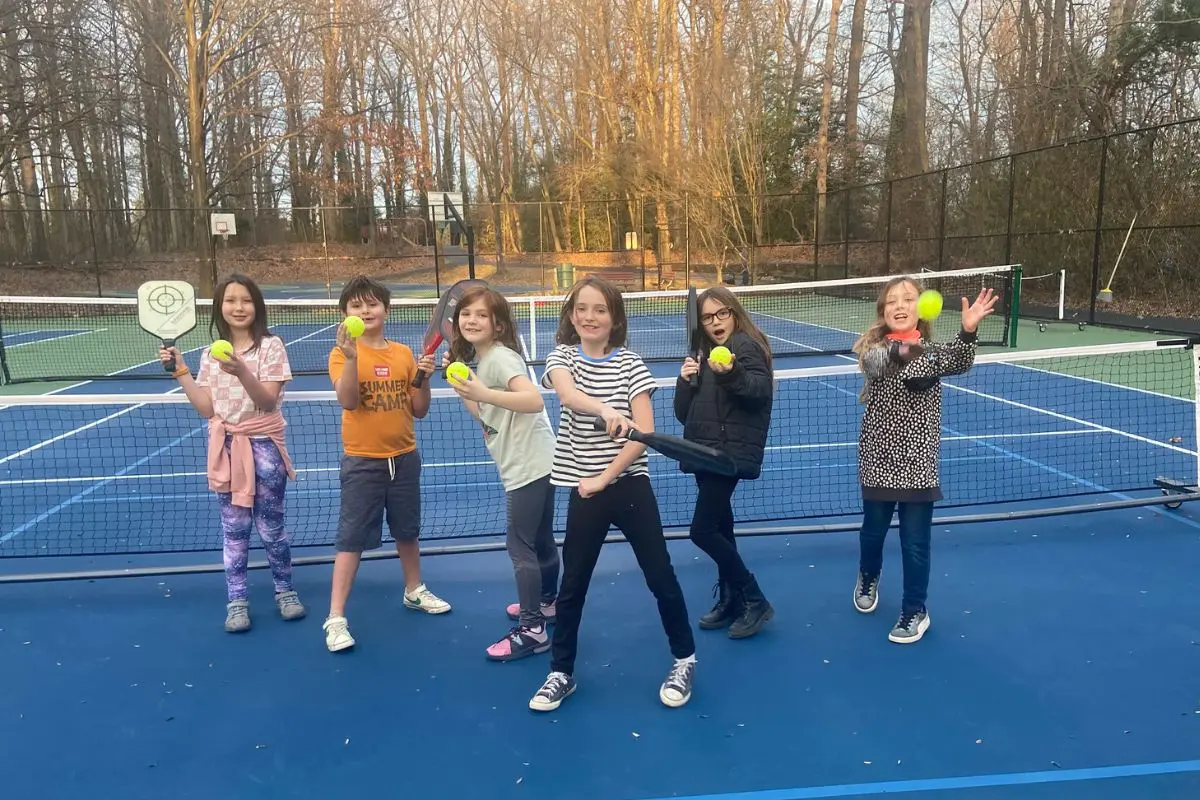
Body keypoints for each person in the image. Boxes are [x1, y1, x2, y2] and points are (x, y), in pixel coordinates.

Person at [528, 276, 696, 712]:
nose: (589, 316)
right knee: (574, 585)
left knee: (661, 576)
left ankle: (684, 660)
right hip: (584, 492)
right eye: (581, 308)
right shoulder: (562, 356)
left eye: (600, 309)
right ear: (571, 315)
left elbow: (645, 433)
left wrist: (606, 476)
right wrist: (605, 409)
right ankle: (560, 673)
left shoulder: (632, 366)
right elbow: (566, 393)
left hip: (627, 487)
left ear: (614, 317)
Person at [850, 278, 998, 643]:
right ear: (883, 312)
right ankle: (869, 575)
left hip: (918, 462)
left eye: (908, 299)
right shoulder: (874, 350)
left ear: (921, 307)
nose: (899, 305)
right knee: (873, 533)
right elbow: (890, 362)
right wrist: (928, 353)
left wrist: (967, 331)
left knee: (915, 542)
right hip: (878, 459)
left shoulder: (933, 353)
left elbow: (960, 360)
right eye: (891, 302)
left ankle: (914, 610)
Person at [161, 273, 305, 633]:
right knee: (234, 530)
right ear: (219, 307)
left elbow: (267, 401)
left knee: (272, 529)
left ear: (256, 306)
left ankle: (285, 590)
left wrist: (242, 370)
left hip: (265, 448)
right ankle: (237, 600)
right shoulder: (210, 354)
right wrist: (181, 371)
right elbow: (208, 409)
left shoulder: (272, 347)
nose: (238, 307)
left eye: (245, 300)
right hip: (225, 449)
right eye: (230, 300)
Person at [322, 275, 451, 653]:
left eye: (372, 304)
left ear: (386, 309)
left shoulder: (404, 354)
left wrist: (422, 379)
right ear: (345, 315)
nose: (366, 311)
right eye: (356, 306)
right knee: (351, 541)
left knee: (407, 531)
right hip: (363, 462)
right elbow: (348, 401)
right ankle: (336, 617)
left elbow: (419, 409)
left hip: (405, 458)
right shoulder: (340, 354)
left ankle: (414, 590)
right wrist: (350, 359)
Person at [441, 285, 560, 661]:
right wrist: (466, 389)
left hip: (527, 464)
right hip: (540, 460)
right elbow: (487, 417)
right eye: (465, 314)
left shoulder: (498, 359)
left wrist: (483, 391)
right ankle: (547, 603)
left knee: (520, 544)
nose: (471, 320)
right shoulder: (488, 360)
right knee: (540, 540)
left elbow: (533, 400)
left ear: (497, 324)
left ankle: (532, 630)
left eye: (481, 315)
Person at [674, 285, 775, 638]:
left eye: (721, 313)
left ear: (733, 312)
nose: (715, 322)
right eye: (707, 317)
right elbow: (683, 413)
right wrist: (686, 381)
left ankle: (753, 596)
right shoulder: (702, 354)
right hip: (704, 450)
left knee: (702, 531)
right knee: (722, 527)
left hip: (726, 452)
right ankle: (731, 598)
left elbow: (758, 391)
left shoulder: (745, 346)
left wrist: (730, 371)